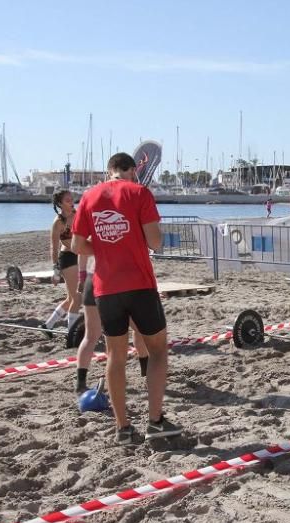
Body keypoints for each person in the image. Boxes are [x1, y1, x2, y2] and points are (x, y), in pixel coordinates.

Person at [72, 152, 180, 445]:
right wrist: (129, 242)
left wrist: (107, 248)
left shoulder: (89, 197)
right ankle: (155, 421)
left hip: (106, 288)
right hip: (139, 283)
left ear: (109, 172)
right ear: (131, 171)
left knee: (115, 355)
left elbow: (78, 245)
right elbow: (155, 241)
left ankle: (123, 428)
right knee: (157, 350)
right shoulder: (139, 192)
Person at [74, 253, 152, 394]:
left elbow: (82, 250)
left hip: (93, 278)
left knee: (90, 336)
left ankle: (80, 383)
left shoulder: (94, 232)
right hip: (117, 282)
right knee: (140, 328)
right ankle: (145, 372)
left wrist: (82, 277)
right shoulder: (126, 232)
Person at [40, 190, 81, 334]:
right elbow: (54, 246)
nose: (71, 202)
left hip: (81, 256)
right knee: (77, 297)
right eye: (67, 200)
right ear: (60, 204)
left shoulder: (78, 214)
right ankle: (72, 333)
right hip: (68, 258)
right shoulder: (58, 222)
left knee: (71, 299)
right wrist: (55, 270)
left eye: (72, 199)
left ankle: (48, 326)